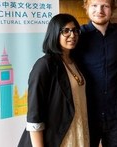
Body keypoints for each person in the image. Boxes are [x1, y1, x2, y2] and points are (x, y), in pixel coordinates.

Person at [18, 13, 89, 147]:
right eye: (66, 31)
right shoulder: (45, 65)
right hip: (58, 137)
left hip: (78, 131)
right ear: (55, 33)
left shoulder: (76, 62)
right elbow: (35, 113)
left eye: (75, 30)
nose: (72, 35)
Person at [73, 0, 117, 147]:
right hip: (88, 111)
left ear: (112, 9)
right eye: (94, 6)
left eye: (105, 6)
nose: (100, 10)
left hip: (115, 111)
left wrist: (116, 75)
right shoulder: (78, 35)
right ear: (87, 8)